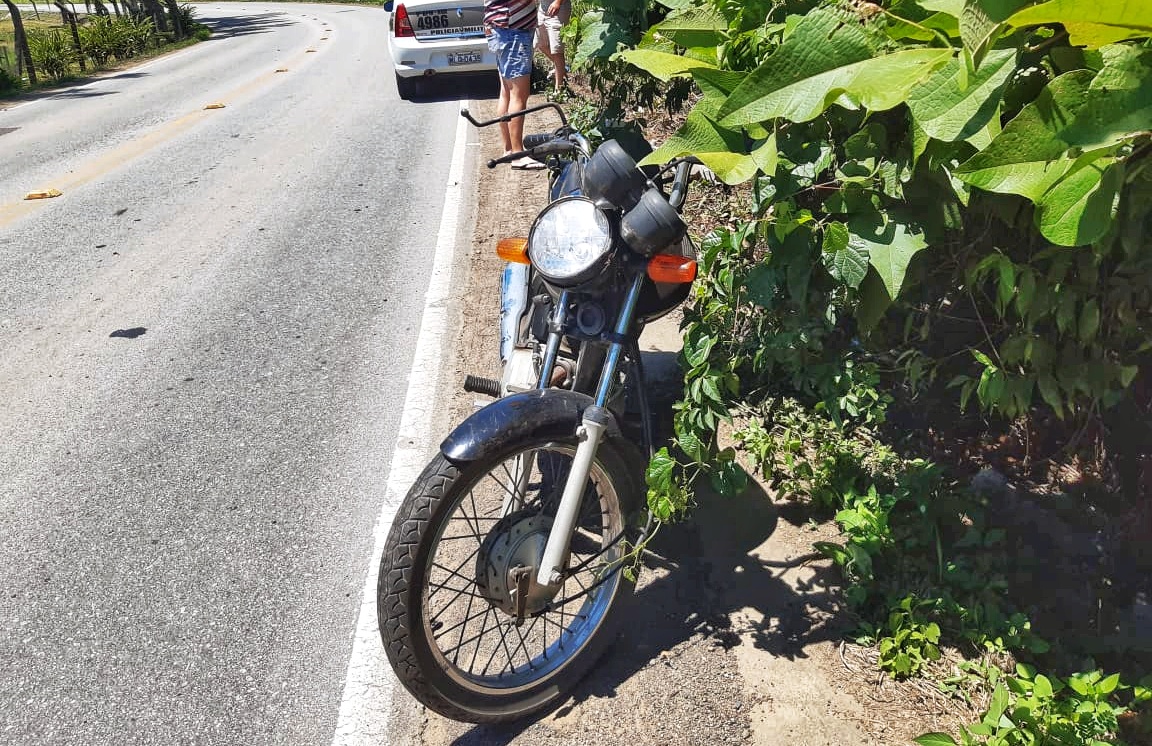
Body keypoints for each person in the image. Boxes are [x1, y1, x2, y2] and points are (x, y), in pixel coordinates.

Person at [484, 0, 544, 170]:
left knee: (507, 93)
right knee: (519, 95)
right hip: (514, 30)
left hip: (499, 28)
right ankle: (518, 154)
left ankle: (509, 149)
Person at [535, 0, 571, 92]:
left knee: (557, 50)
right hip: (542, 8)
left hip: (558, 9)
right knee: (540, 44)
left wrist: (558, 2)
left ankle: (558, 89)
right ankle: (561, 67)